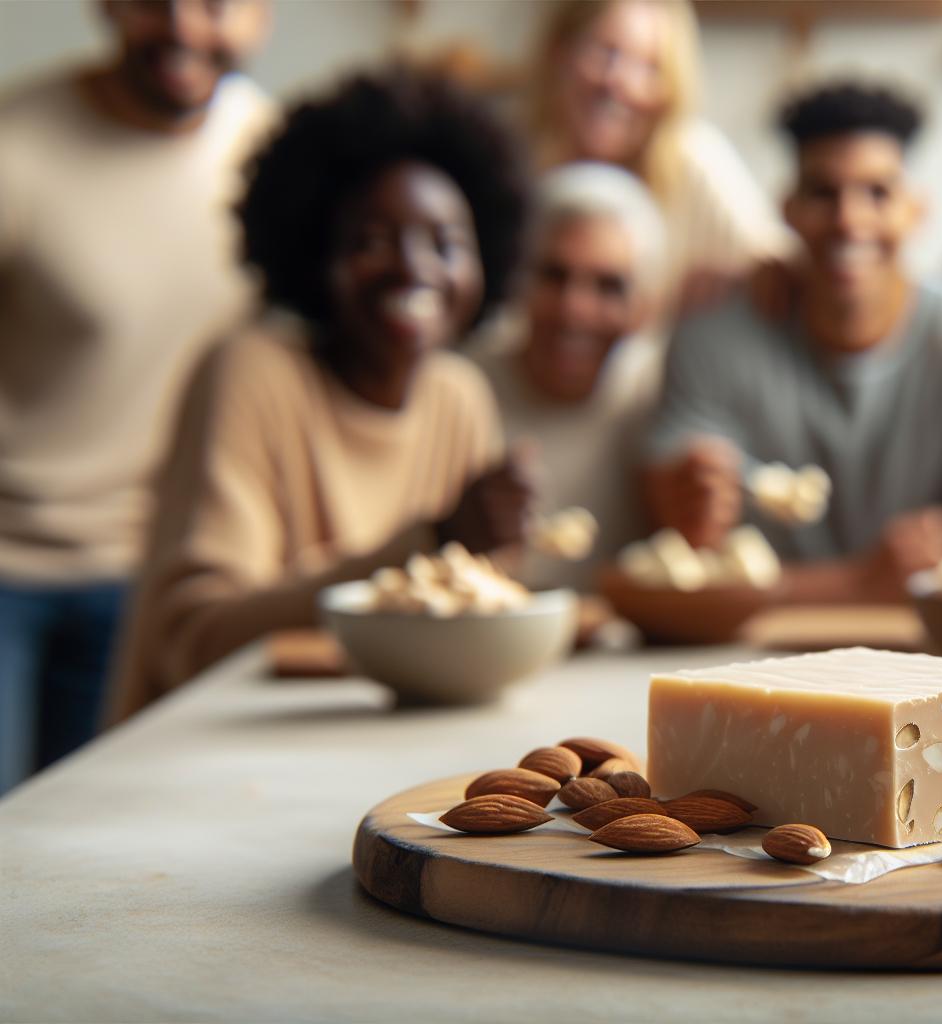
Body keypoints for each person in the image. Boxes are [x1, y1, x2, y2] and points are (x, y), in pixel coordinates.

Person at [108, 69, 535, 721]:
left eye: (446, 243)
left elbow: (472, 626)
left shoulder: (459, 396)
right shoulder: (250, 374)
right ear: (314, 254)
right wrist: (431, 540)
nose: (413, 267)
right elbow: (194, 639)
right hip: (206, 748)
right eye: (372, 242)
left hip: (369, 745)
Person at [0, 0, 275, 791]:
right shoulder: (17, 144)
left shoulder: (270, 152)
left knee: (87, 835)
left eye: (215, 4)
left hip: (152, 575)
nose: (184, 28)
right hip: (8, 565)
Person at [644, 81, 942, 601]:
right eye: (824, 193)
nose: (849, 220)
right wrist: (858, 582)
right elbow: (683, 572)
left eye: (877, 193)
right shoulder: (710, 343)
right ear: (788, 210)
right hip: (754, 646)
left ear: (916, 210)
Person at [473, 163, 664, 590]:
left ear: (645, 307)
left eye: (609, 287)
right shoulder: (464, 388)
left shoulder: (656, 395)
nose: (574, 310)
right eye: (554, 276)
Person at [529, 0, 783, 312]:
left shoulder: (693, 160)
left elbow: (780, 263)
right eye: (604, 52)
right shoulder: (522, 164)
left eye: (648, 67)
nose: (616, 82)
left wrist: (740, 280)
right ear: (560, 52)